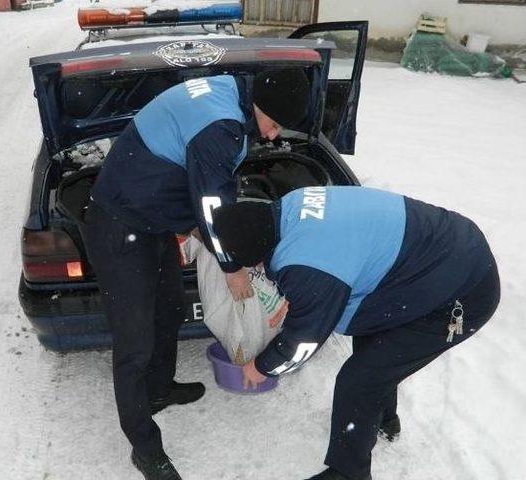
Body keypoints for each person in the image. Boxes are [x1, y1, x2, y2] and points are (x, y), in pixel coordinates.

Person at [80, 68, 312, 480]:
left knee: (169, 308)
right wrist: (232, 266)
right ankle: (144, 446)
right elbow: (212, 209)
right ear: (261, 105)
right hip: (118, 223)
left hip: (151, 219)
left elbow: (197, 182)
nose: (274, 137)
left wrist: (199, 232)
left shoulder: (232, 91)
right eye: (274, 124)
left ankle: (159, 389)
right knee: (134, 342)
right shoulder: (221, 127)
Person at [212, 186, 500, 480]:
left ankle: (349, 473)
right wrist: (304, 295)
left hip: (463, 291)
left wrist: (261, 367)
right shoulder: (293, 204)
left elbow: (304, 342)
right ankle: (383, 419)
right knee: (373, 338)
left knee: (359, 379)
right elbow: (332, 259)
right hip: (443, 248)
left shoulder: (309, 265)